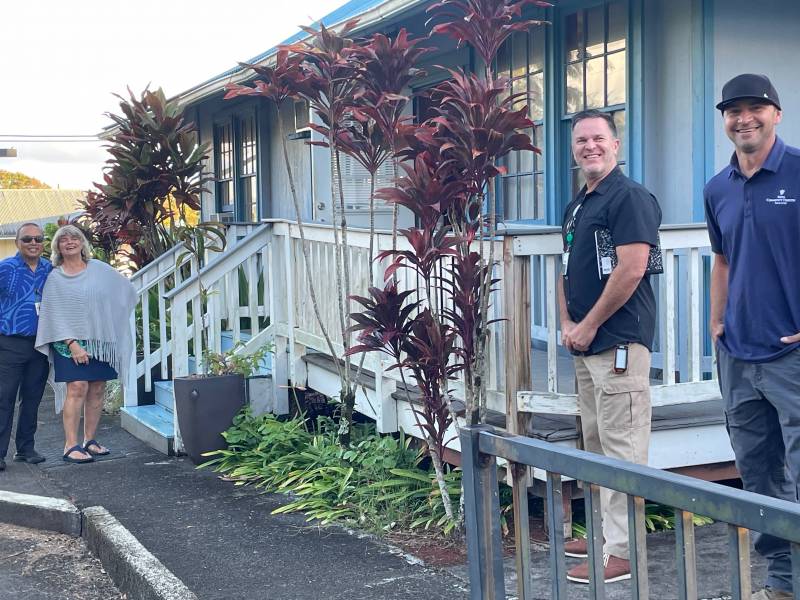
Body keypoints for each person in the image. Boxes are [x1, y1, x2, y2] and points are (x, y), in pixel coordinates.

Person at [705, 73, 800, 600]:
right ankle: (783, 584)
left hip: (793, 355)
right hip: (738, 355)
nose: (744, 118)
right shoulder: (718, 186)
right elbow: (722, 259)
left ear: (777, 113)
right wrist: (716, 322)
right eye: (733, 110)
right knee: (759, 477)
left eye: (755, 107)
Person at [557, 109, 662, 584]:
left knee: (622, 449)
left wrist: (590, 324)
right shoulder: (578, 203)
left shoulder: (630, 198)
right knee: (594, 445)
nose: (590, 146)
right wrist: (565, 322)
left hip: (619, 342)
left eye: (599, 138)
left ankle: (623, 552)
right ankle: (603, 538)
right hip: (585, 345)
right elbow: (565, 268)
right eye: (581, 140)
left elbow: (631, 268)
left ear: (616, 145)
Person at [35, 225, 136, 464]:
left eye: (75, 238)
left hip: (99, 340)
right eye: (64, 240)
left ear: (82, 243)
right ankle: (71, 445)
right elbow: (53, 314)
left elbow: (126, 291)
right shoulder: (55, 277)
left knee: (98, 387)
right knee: (78, 387)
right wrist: (73, 344)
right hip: (68, 343)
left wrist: (110, 319)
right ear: (57, 247)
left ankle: (90, 440)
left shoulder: (100, 269)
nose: (70, 242)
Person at [0, 223, 53, 470]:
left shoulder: (50, 269)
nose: (33, 243)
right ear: (17, 243)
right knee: (4, 398)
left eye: (38, 239)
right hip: (9, 343)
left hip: (40, 345)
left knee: (32, 398)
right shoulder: (5, 268)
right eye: (27, 239)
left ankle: (25, 448)